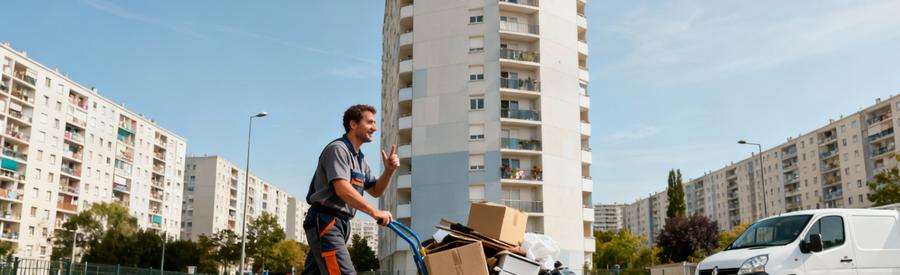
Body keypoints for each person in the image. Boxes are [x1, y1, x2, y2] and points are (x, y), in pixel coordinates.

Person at [302, 104, 399, 275]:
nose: (374, 128)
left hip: (340, 223)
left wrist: (389, 171)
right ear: (353, 124)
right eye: (370, 122)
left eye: (375, 123)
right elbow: (342, 189)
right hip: (326, 221)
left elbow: (376, 190)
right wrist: (375, 212)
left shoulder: (360, 160)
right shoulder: (338, 150)